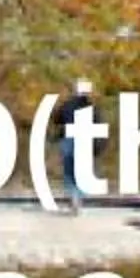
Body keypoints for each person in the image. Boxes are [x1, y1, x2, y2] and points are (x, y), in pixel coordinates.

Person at [56, 78, 95, 212]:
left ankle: (74, 197)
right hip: (84, 139)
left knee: (69, 171)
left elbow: (57, 119)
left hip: (68, 138)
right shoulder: (91, 107)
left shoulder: (67, 105)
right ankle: (79, 197)